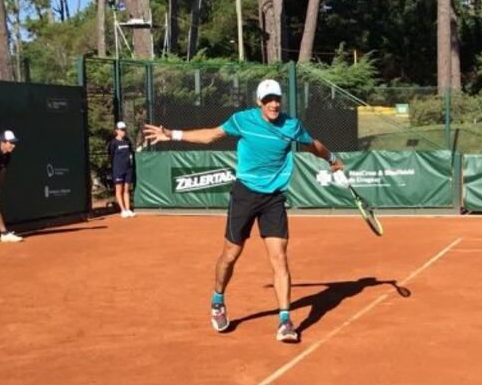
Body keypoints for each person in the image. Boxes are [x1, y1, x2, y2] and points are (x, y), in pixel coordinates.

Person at [143, 78, 345, 343]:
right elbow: (210, 135)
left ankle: (285, 321)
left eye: (277, 99)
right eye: (268, 99)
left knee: (280, 258)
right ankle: (217, 301)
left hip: (273, 198)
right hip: (245, 195)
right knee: (230, 254)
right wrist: (173, 134)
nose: (273, 104)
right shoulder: (242, 120)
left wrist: (332, 159)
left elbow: (313, 144)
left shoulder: (291, 125)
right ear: (259, 102)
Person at [108, 121, 135, 217]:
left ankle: (128, 209)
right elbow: (111, 156)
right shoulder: (113, 143)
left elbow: (131, 153)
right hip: (118, 170)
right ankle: (122, 210)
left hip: (128, 169)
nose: (123, 131)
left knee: (126, 190)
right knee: (119, 190)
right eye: (121, 130)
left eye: (124, 130)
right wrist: (115, 166)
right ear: (117, 131)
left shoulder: (127, 141)